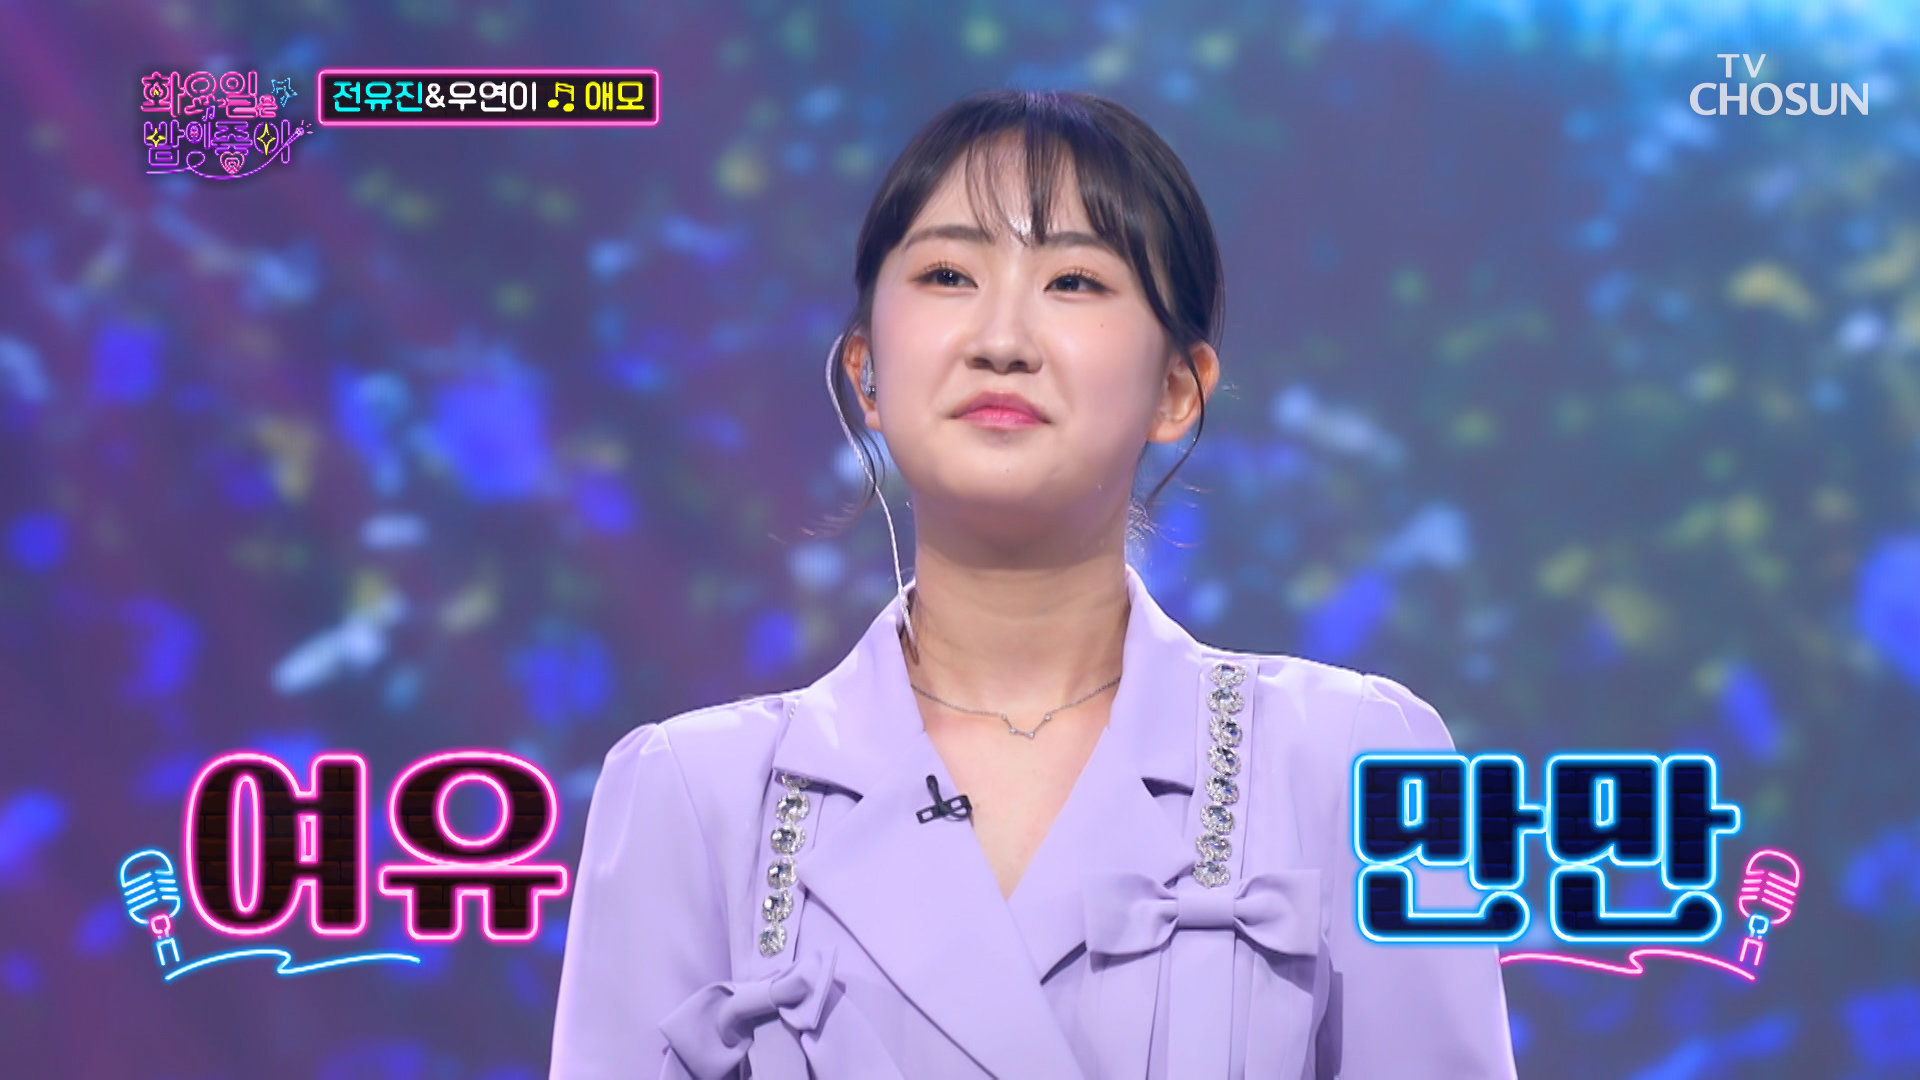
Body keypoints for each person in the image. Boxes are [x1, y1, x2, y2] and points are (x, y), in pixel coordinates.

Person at [551, 88, 1516, 1079]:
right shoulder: (691, 797)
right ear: (866, 372)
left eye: (1075, 281)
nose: (1001, 339)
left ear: (1177, 389)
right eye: (947, 274)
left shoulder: (1352, 759)